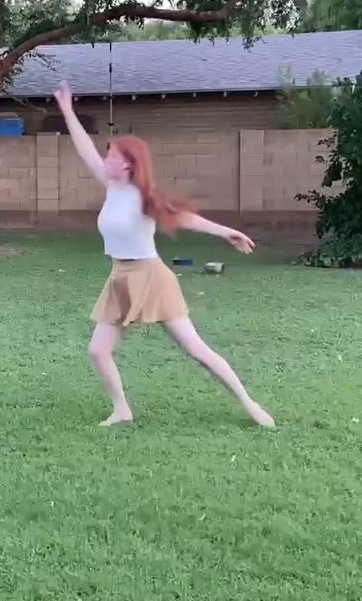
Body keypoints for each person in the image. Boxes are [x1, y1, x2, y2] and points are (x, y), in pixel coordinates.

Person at [54, 81, 276, 428]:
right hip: (120, 277)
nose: (105, 158)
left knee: (197, 350)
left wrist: (225, 231)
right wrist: (67, 110)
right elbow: (84, 148)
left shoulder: (145, 197)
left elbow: (185, 218)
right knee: (97, 351)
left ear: (128, 165)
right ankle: (122, 410)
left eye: (111, 155)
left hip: (151, 277)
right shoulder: (112, 185)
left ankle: (250, 404)